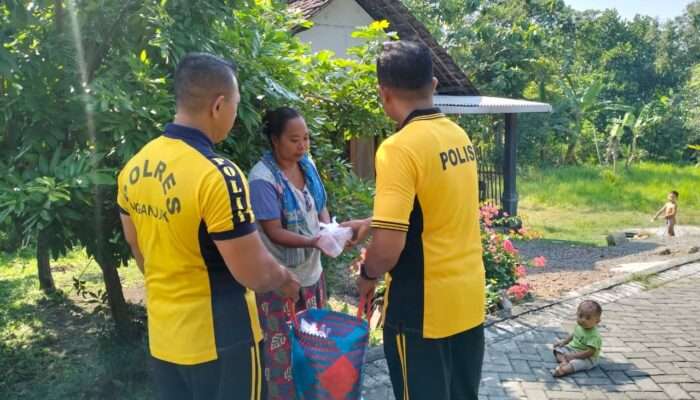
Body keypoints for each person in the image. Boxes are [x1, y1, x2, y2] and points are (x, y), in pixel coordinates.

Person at [117, 53, 300, 400]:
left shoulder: (134, 167)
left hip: (165, 338)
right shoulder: (218, 175)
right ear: (218, 105)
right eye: (235, 105)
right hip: (223, 340)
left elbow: (136, 246)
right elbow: (254, 272)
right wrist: (284, 279)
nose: (234, 114)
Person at [342, 40, 486, 400]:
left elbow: (388, 249)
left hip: (423, 310)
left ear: (384, 93)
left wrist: (367, 276)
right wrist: (372, 222)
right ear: (433, 84)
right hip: (468, 300)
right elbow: (435, 207)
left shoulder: (398, 148)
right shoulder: (458, 136)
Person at [248, 107, 331, 400]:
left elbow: (319, 206)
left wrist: (331, 231)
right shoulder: (262, 179)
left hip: (313, 275)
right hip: (280, 281)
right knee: (282, 354)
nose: (302, 146)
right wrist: (315, 241)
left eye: (306, 138)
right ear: (275, 140)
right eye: (294, 140)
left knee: (315, 346)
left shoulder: (307, 166)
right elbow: (273, 232)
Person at [552, 300, 603, 377]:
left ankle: (563, 370)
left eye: (588, 318)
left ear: (597, 321)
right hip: (573, 349)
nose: (583, 320)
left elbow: (589, 352)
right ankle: (564, 361)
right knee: (557, 349)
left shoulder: (594, 336)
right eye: (580, 316)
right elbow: (573, 334)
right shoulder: (580, 326)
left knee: (576, 363)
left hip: (588, 357)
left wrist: (574, 356)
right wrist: (564, 342)